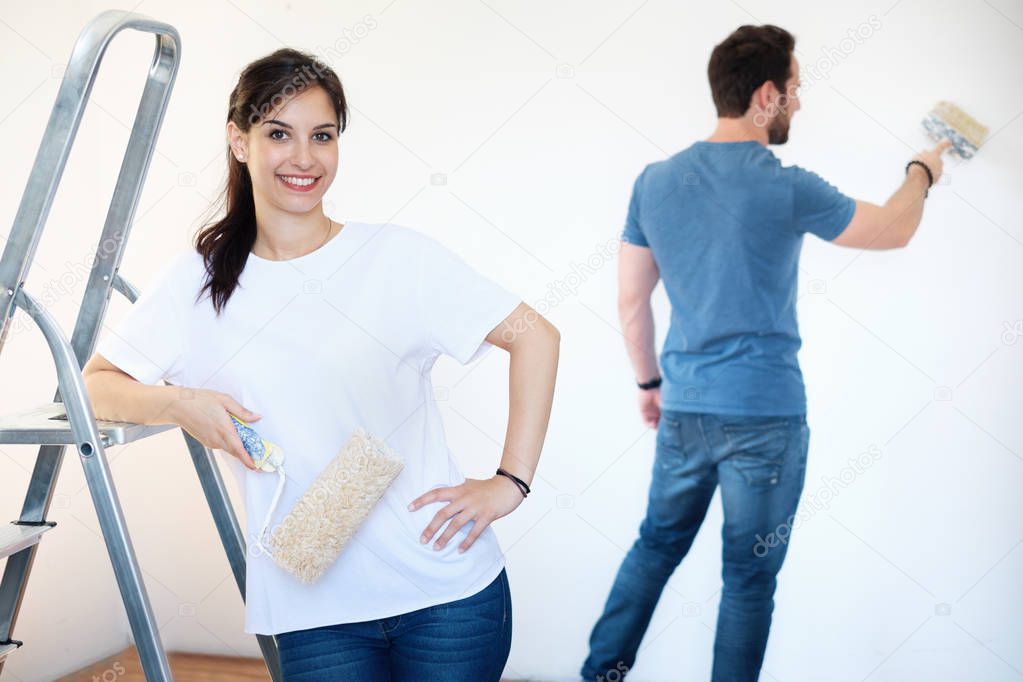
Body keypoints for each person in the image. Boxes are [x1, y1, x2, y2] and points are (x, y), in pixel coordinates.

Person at [82, 48, 560, 681]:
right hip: (313, 606)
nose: (303, 158)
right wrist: (180, 404)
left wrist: (510, 482)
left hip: (446, 596)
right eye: (279, 133)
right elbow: (96, 387)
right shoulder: (197, 283)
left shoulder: (396, 258)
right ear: (240, 141)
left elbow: (537, 335)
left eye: (322, 136)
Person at [581, 25, 948, 682]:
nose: (799, 105)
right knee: (747, 581)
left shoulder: (654, 182)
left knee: (653, 548)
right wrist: (921, 171)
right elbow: (893, 229)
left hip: (686, 412)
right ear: (766, 95)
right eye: (796, 91)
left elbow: (630, 304)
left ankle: (597, 677)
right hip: (765, 418)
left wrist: (648, 384)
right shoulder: (784, 185)